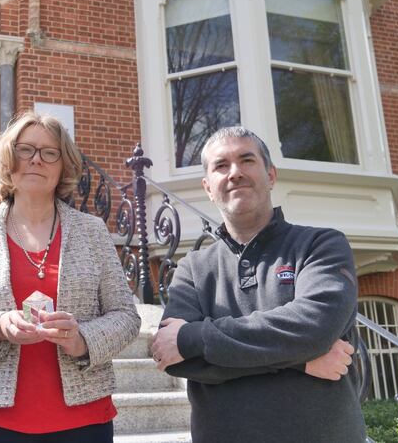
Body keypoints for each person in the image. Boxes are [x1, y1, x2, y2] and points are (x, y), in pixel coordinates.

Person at [0, 111, 141, 443]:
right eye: (25, 149)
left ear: (63, 166)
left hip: (84, 419)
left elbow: (126, 317)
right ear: (9, 160)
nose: (36, 160)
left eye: (49, 152)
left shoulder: (92, 231)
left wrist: (82, 340)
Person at [151, 126, 366, 442]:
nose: (235, 172)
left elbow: (315, 329)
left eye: (247, 160)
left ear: (271, 175)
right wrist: (301, 361)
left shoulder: (321, 245)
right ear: (208, 187)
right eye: (221, 165)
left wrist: (192, 339)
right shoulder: (192, 268)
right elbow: (174, 359)